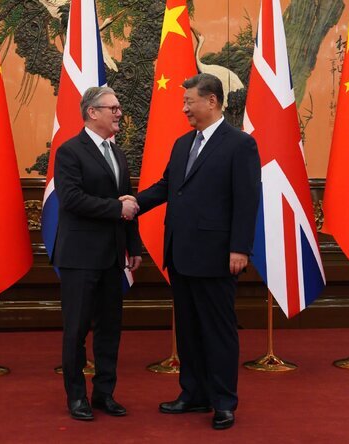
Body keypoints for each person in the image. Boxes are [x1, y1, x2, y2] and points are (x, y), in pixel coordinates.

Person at [122, 73, 261, 430]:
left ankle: (223, 402)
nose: (184, 108)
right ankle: (193, 393)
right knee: (187, 330)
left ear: (212, 101)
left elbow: (247, 200)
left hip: (217, 256)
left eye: (189, 101)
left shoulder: (239, 144)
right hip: (181, 253)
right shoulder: (183, 143)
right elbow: (167, 186)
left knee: (218, 331)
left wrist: (240, 248)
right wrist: (134, 202)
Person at [53, 86, 142, 421]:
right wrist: (116, 208)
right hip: (79, 257)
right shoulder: (69, 151)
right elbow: (72, 199)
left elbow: (128, 200)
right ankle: (77, 397)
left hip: (112, 257)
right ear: (92, 112)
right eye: (113, 108)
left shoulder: (117, 153)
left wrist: (133, 245)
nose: (119, 112)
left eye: (119, 107)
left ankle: (105, 393)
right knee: (76, 330)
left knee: (109, 330)